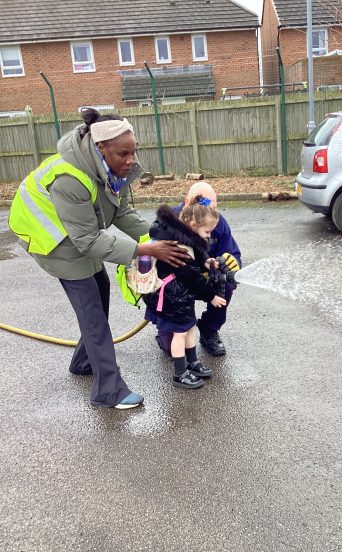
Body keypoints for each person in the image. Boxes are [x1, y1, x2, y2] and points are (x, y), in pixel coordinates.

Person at [9, 108, 189, 409]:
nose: (130, 160)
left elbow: (121, 212)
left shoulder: (109, 169)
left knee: (100, 291)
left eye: (133, 151)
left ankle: (83, 361)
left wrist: (158, 236)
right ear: (101, 147)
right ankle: (109, 391)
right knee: (92, 312)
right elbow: (88, 240)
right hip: (50, 237)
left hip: (77, 232)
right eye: (123, 154)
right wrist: (145, 250)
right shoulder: (70, 178)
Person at [143, 198, 227, 389]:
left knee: (189, 329)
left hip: (181, 296)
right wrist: (212, 297)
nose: (209, 236)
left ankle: (192, 363)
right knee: (179, 334)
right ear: (193, 225)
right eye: (207, 232)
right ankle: (180, 373)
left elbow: (196, 254)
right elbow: (193, 277)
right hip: (172, 298)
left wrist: (206, 261)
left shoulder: (183, 237)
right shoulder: (177, 248)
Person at [156, 181, 241, 357]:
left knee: (227, 282)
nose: (210, 213)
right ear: (187, 201)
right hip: (173, 282)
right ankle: (167, 327)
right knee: (171, 348)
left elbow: (232, 253)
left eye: (214, 208)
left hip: (203, 275)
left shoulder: (217, 221)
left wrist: (231, 263)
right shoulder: (168, 222)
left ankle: (209, 329)